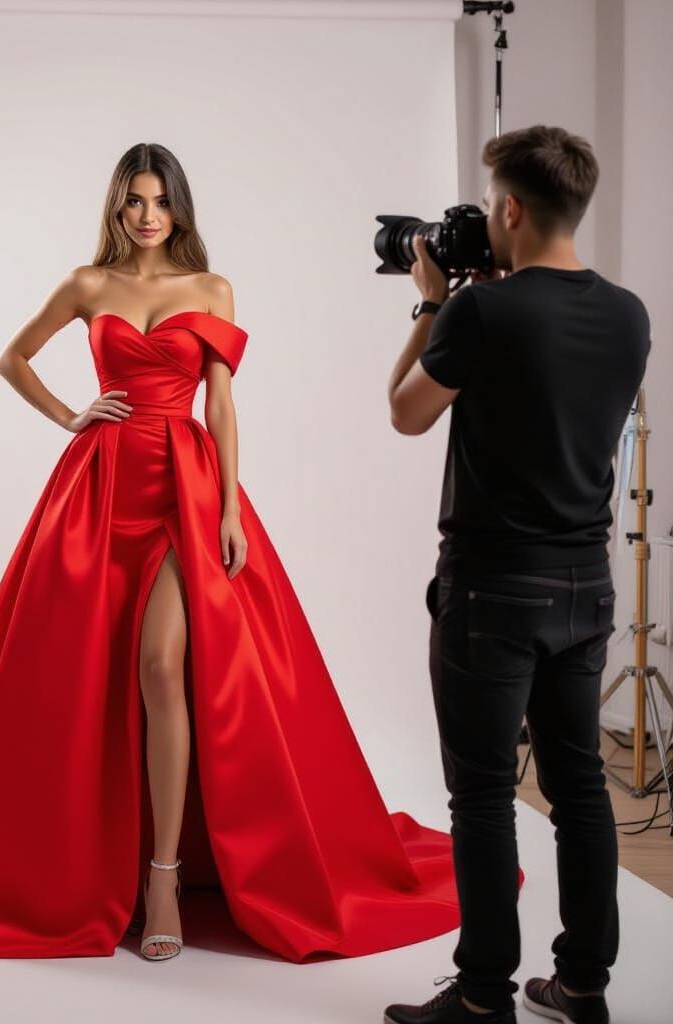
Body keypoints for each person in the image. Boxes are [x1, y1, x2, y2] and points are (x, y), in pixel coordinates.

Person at [0, 142, 461, 964]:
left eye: (160, 200)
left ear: (180, 207)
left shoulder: (212, 288)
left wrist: (229, 507)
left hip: (185, 492)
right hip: (99, 489)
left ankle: (163, 874)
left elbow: (222, 408)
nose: (148, 214)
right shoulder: (88, 286)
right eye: (134, 201)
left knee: (163, 667)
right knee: (78, 675)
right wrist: (68, 415)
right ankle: (88, 863)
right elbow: (10, 357)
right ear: (117, 208)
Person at [384, 125, 650, 1023]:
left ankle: (483, 995)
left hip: (492, 587)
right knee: (580, 786)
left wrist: (432, 302)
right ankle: (582, 986)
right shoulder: (630, 314)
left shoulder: (479, 313)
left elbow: (405, 413)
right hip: (587, 586)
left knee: (485, 794)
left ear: (508, 207)